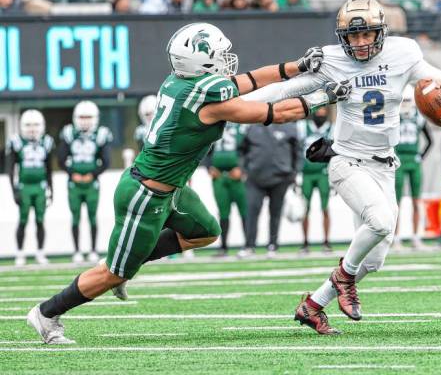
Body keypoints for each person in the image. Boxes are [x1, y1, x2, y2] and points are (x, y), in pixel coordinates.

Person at [27, 22, 347, 344]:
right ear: (202, 63)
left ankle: (128, 260)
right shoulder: (207, 102)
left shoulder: (181, 83)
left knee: (205, 231)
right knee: (113, 272)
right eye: (219, 55)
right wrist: (322, 98)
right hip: (147, 194)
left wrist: (296, 67)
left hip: (172, 188)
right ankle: (46, 313)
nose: (226, 60)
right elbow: (274, 112)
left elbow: (245, 81)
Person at [241, 0, 441, 334]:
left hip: (385, 165)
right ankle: (344, 277)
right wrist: (230, 104)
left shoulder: (402, 54)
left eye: (367, 35)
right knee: (381, 222)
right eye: (353, 36)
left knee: (374, 260)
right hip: (347, 161)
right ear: (342, 36)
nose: (360, 43)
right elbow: (285, 90)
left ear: (382, 33)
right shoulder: (330, 60)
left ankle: (313, 305)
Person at [58, 102, 113, 264]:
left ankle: (93, 250)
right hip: (74, 183)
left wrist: (92, 174)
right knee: (75, 217)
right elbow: (60, 159)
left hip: (92, 183)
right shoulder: (69, 133)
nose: (85, 121)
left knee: (92, 217)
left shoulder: (101, 134)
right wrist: (72, 173)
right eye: (82, 117)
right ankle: (76, 250)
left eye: (88, 117)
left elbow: (106, 161)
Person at [238, 122, 302, 258]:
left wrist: (294, 172)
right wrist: (244, 169)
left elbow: (297, 151)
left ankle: (272, 245)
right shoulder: (253, 127)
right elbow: (242, 149)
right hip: (255, 178)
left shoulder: (289, 127)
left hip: (280, 178)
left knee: (275, 213)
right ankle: (249, 245)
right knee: (252, 211)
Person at [7, 110, 54, 266]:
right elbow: (10, 168)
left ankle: (40, 252)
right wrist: (14, 190)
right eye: (28, 125)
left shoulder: (46, 142)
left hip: (40, 186)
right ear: (21, 126)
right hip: (24, 186)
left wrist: (50, 188)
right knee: (23, 220)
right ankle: (20, 252)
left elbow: (49, 168)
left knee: (40, 221)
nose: (32, 129)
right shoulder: (16, 142)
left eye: (35, 125)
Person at [392, 90, 432, 250]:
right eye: (404, 100)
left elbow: (430, 141)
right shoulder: (394, 116)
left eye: (408, 100)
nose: (406, 104)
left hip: (414, 161)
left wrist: (421, 156)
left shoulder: (419, 118)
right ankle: (395, 238)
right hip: (400, 159)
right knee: (396, 202)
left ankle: (416, 236)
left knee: (416, 200)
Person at [297, 107, 333, 254]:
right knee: (304, 209)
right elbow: (296, 149)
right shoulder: (302, 127)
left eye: (323, 112)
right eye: (318, 112)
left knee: (325, 208)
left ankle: (326, 241)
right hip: (306, 173)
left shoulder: (332, 128)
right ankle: (305, 242)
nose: (320, 114)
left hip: (323, 173)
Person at [208, 123, 247, 256]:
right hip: (218, 176)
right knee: (223, 212)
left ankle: (248, 245)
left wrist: (242, 168)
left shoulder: (242, 127)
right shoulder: (213, 125)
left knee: (244, 211)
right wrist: (209, 167)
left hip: (237, 177)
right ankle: (223, 247)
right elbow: (202, 148)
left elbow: (251, 149)